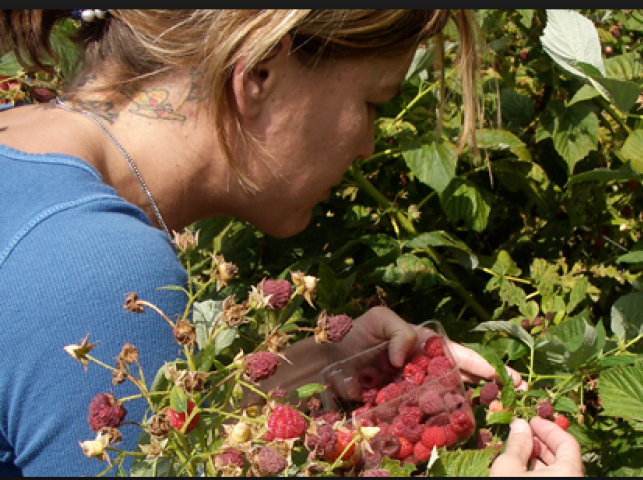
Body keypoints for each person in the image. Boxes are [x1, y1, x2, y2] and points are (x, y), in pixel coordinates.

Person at [0, 9, 583, 477]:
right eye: (371, 102)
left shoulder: (23, 151)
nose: (367, 147)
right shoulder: (97, 269)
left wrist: (323, 363)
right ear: (258, 73)